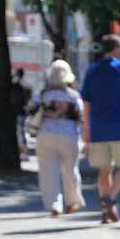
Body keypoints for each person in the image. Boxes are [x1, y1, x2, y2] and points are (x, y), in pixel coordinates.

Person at [79, 34, 120, 224]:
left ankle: (107, 208)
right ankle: (110, 199)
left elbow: (86, 101)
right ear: (116, 49)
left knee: (104, 170)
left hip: (98, 127)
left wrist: (86, 128)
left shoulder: (92, 70)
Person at [34, 59, 86, 216]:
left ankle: (54, 204)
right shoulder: (73, 96)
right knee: (71, 169)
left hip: (46, 133)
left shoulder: (42, 95)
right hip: (69, 135)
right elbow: (80, 116)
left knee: (48, 171)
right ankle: (73, 201)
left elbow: (32, 111)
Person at [10, 70, 31, 156]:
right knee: (22, 132)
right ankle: (24, 152)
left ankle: (21, 151)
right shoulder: (27, 86)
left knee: (19, 133)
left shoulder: (16, 85)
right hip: (23, 112)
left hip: (18, 112)